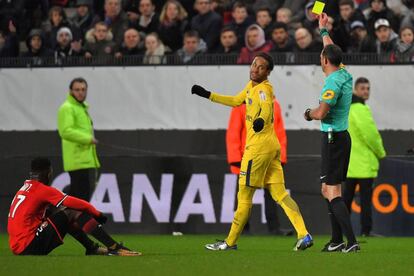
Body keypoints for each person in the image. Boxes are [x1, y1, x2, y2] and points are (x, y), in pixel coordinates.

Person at [191, 52, 313, 251]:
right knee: (280, 194)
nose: (255, 68)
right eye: (254, 64)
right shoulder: (252, 87)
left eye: (261, 67)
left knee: (244, 196)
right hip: (271, 147)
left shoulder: (263, 90)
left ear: (268, 72)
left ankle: (229, 242)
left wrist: (259, 121)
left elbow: (266, 108)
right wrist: (208, 94)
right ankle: (304, 234)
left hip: (257, 149)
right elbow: (235, 100)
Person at [303, 12, 359, 253]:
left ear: (324, 61)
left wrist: (308, 113)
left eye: (323, 56)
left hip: (332, 138)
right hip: (340, 137)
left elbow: (322, 112)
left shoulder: (332, 83)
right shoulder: (344, 73)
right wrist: (323, 30)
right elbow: (331, 50)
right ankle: (337, 241)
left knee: (331, 191)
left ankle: (351, 242)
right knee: (328, 190)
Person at [7, 157, 140, 256]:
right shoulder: (41, 189)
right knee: (71, 212)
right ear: (48, 172)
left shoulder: (25, 188)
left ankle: (92, 248)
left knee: (60, 214)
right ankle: (114, 247)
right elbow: (75, 203)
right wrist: (96, 213)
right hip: (29, 246)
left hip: (19, 246)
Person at [226, 95, 292, 235]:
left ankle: (274, 228)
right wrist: (236, 158)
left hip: (269, 156)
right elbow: (233, 133)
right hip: (248, 156)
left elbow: (279, 132)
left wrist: (281, 156)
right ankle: (242, 228)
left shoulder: (274, 104)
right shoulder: (242, 105)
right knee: (244, 194)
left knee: (271, 193)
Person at [344, 77, 386, 237]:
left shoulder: (347, 109)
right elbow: (371, 136)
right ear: (356, 90)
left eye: (367, 88)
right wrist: (381, 153)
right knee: (366, 201)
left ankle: (341, 231)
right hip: (364, 164)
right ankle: (366, 231)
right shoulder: (360, 109)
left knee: (346, 201)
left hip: (349, 164)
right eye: (362, 88)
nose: (366, 91)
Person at [57, 78, 100, 201]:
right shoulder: (67, 108)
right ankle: (75, 220)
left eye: (83, 89)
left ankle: (68, 220)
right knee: (81, 199)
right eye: (77, 90)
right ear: (71, 91)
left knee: (77, 198)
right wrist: (88, 139)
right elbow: (65, 131)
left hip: (84, 159)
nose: (80, 92)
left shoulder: (81, 108)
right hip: (77, 160)